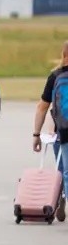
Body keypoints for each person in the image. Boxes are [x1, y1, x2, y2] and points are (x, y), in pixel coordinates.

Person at [32, 40, 68, 216]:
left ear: (63, 54)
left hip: (63, 130)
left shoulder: (55, 76)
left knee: (64, 170)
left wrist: (37, 134)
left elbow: (43, 108)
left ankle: (62, 194)